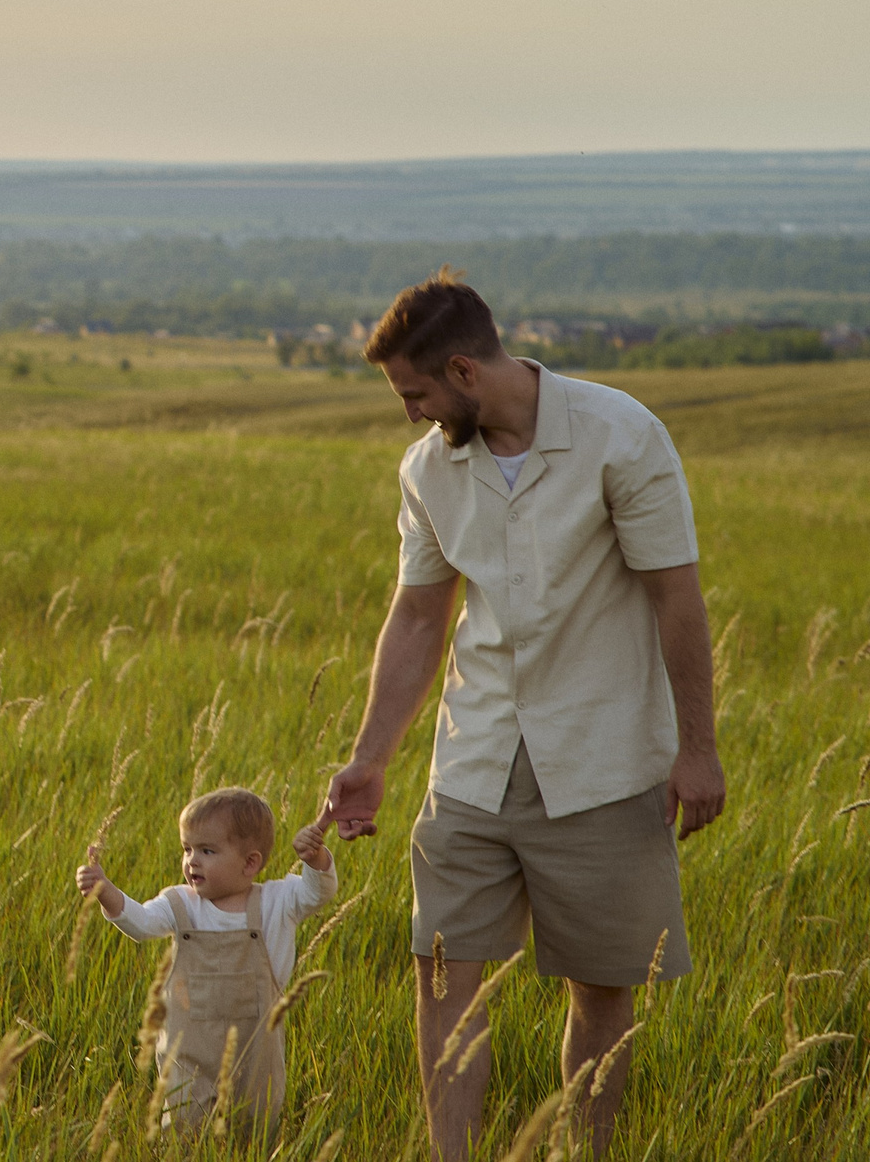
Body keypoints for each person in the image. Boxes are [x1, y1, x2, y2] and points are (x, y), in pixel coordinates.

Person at [323, 270, 724, 1160]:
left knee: (602, 987)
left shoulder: (624, 436)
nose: (409, 412)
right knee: (439, 971)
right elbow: (419, 614)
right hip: (473, 757)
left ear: (464, 371)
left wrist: (697, 749)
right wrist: (371, 756)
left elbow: (678, 600)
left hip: (605, 759)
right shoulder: (429, 468)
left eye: (415, 393)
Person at [75, 786, 337, 1138]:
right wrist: (106, 891)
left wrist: (316, 858)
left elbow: (317, 892)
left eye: (207, 850)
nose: (191, 861)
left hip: (256, 1046)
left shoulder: (278, 901)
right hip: (190, 1048)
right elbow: (140, 923)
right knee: (184, 1125)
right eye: (187, 849)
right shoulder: (181, 904)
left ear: (250, 863)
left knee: (255, 1124)